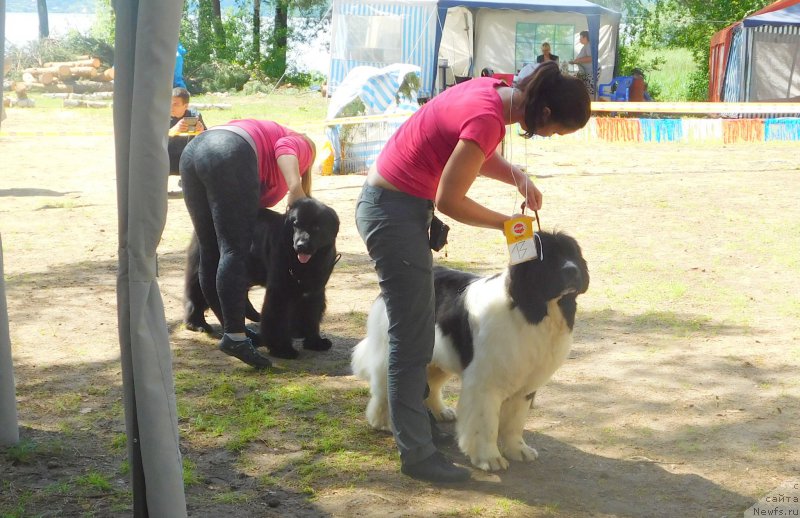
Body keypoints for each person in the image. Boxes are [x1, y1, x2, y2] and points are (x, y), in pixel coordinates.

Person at [354, 61, 591, 483]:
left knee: (418, 323)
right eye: (558, 131)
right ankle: (417, 453)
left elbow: (470, 154)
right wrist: (505, 223)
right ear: (547, 113)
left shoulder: (494, 91)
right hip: (392, 211)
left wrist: (516, 175)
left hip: (404, 204)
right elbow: (450, 199)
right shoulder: (487, 119)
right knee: (411, 337)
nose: (552, 138)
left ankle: (417, 422)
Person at [179, 120, 316, 368]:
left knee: (211, 251)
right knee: (233, 250)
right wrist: (296, 189)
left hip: (194, 151)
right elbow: (286, 147)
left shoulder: (262, 146)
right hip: (229, 150)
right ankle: (234, 336)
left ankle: (234, 331)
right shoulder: (301, 141)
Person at [169, 87, 206, 175]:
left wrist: (201, 131)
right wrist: (173, 131)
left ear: (185, 106)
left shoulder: (194, 116)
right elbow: (155, 140)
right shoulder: (163, 117)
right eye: (169, 103)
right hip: (168, 157)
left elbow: (206, 139)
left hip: (187, 156)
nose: (171, 107)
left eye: (175, 104)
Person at [569, 30, 594, 96]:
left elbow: (591, 58)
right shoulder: (585, 46)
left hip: (591, 72)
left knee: (590, 90)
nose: (579, 39)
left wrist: (577, 60)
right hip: (586, 72)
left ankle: (591, 104)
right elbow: (583, 58)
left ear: (585, 38)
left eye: (580, 38)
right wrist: (575, 61)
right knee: (584, 89)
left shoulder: (589, 45)